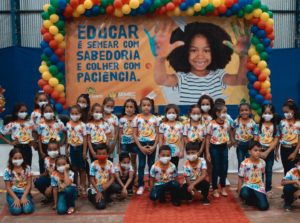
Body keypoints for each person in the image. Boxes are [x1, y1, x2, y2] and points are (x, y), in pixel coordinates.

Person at [153, 22, 248, 105]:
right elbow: (161, 80)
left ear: (215, 52)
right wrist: (161, 59)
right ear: (184, 52)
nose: (200, 55)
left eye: (206, 50)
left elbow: (242, 80)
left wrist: (243, 56)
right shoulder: (182, 78)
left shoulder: (218, 76)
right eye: (193, 50)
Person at [133, 97, 159, 195]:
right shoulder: (137, 118)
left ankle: (152, 184)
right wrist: (140, 147)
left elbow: (157, 134)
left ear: (151, 107)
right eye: (144, 105)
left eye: (148, 105)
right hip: (141, 144)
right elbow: (135, 134)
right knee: (141, 165)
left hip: (152, 143)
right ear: (140, 107)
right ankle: (141, 185)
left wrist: (154, 146)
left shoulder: (155, 119)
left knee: (152, 164)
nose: (146, 107)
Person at [206, 102, 231, 198]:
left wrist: (229, 141)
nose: (225, 114)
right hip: (214, 148)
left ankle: (223, 187)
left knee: (224, 167)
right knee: (215, 168)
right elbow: (208, 138)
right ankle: (215, 189)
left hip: (224, 147)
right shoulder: (211, 124)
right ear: (217, 113)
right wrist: (208, 152)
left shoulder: (227, 123)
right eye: (224, 112)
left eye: (226, 112)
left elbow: (227, 132)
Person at [238, 141, 269, 211]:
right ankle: (253, 198)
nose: (258, 152)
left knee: (264, 207)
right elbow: (240, 178)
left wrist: (264, 190)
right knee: (244, 194)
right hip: (248, 185)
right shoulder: (244, 163)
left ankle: (254, 200)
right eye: (255, 150)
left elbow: (263, 176)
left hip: (258, 186)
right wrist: (239, 194)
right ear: (249, 151)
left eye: (259, 150)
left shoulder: (263, 162)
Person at [3, 148, 34, 215]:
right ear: (11, 159)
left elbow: (29, 184)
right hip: (13, 194)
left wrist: (24, 197)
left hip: (24, 193)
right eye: (15, 158)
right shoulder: (7, 170)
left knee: (27, 210)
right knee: (16, 211)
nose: (18, 160)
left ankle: (28, 202)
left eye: (20, 158)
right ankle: (13, 203)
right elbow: (8, 187)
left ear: (23, 158)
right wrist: (16, 198)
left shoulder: (27, 168)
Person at [65, 105, 87, 197]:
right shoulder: (68, 124)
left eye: (76, 113)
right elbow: (68, 137)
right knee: (74, 169)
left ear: (80, 114)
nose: (74, 115)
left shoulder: (82, 125)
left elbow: (85, 139)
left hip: (80, 148)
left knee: (82, 169)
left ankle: (82, 187)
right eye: (72, 113)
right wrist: (66, 148)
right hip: (72, 149)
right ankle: (76, 187)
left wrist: (84, 152)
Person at [37, 104, 65, 174]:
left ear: (53, 112)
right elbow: (39, 138)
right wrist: (41, 151)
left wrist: (63, 141)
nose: (48, 113)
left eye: (50, 111)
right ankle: (44, 180)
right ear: (43, 113)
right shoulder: (41, 124)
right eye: (46, 111)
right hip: (44, 147)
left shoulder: (58, 123)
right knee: (44, 164)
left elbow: (67, 132)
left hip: (56, 147)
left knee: (57, 163)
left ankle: (57, 179)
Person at [258, 104, 279, 195]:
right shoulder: (258, 125)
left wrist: (268, 152)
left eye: (269, 113)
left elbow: (276, 140)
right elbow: (256, 139)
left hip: (269, 152)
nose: (267, 115)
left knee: (269, 170)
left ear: (273, 114)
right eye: (265, 113)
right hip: (260, 151)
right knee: (260, 170)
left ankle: (268, 189)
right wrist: (259, 151)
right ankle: (261, 187)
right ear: (262, 114)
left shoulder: (275, 127)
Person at [232, 102, 258, 169]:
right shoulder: (236, 121)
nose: (244, 112)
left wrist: (254, 146)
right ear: (239, 112)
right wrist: (233, 140)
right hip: (240, 145)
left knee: (250, 162)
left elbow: (255, 134)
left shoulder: (252, 123)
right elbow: (231, 129)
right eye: (242, 110)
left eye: (246, 110)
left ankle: (249, 178)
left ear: (250, 111)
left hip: (250, 145)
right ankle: (241, 178)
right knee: (241, 163)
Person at [34, 139, 60, 204]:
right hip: (50, 179)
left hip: (59, 181)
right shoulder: (46, 159)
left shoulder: (61, 159)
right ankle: (50, 197)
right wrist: (39, 176)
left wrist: (51, 187)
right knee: (37, 181)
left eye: (54, 149)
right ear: (47, 150)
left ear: (58, 149)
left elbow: (60, 177)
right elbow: (46, 172)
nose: (52, 151)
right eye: (50, 149)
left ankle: (58, 197)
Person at [278, 99, 300, 174]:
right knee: (286, 169)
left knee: (293, 170)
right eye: (284, 112)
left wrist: (294, 153)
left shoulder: (298, 123)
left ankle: (292, 185)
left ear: (293, 111)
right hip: (283, 149)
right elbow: (279, 136)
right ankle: (286, 185)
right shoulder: (282, 122)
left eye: (287, 112)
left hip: (293, 149)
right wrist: (276, 151)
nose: (285, 114)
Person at [119, 99, 139, 177]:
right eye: (127, 107)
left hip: (134, 143)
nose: (129, 109)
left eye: (131, 107)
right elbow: (120, 133)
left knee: (133, 161)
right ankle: (125, 177)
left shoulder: (137, 118)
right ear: (124, 108)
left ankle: (134, 177)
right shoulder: (122, 119)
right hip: (124, 143)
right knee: (124, 161)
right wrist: (119, 145)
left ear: (135, 109)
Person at [102, 97, 119, 161]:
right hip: (101, 142)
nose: (109, 108)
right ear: (103, 105)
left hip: (111, 143)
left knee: (110, 161)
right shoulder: (100, 116)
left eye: (111, 107)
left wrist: (114, 143)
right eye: (107, 106)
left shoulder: (114, 118)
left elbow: (116, 132)